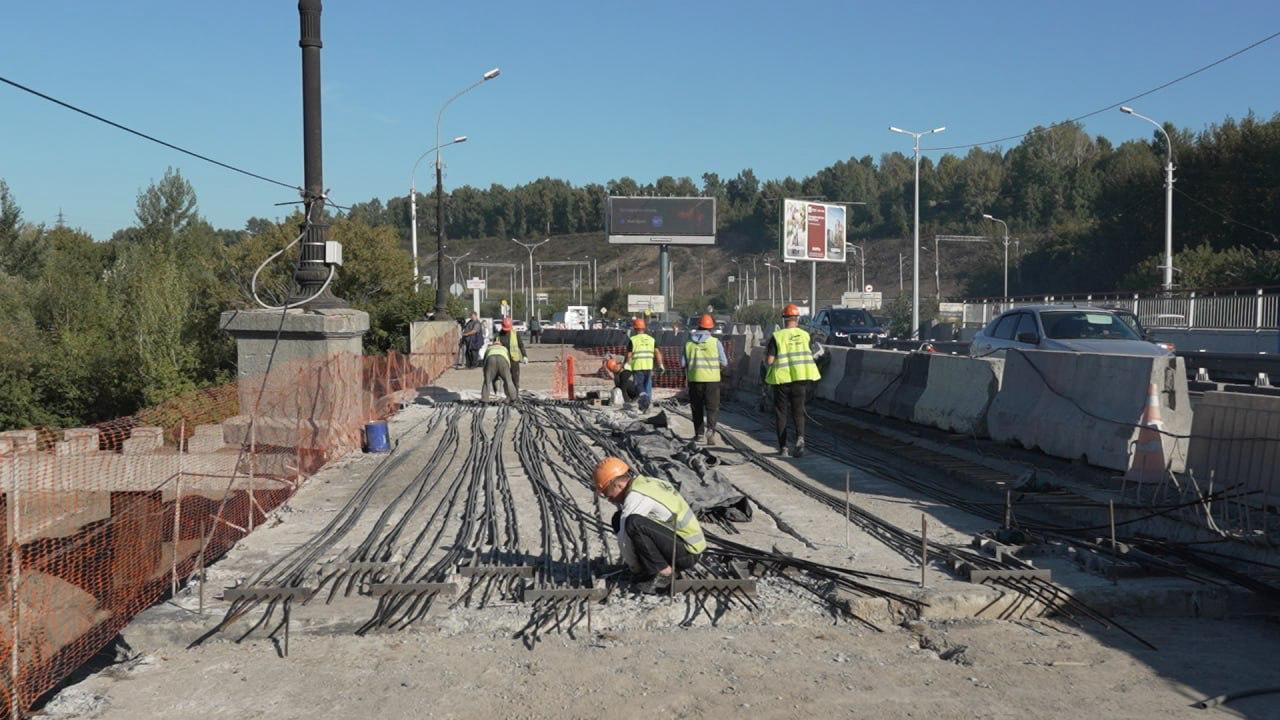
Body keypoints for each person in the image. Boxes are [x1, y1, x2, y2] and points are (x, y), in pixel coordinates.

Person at [594, 457, 705, 594]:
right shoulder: (644, 483)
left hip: (687, 552)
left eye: (608, 494)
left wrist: (635, 569)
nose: (610, 500)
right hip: (681, 544)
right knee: (620, 518)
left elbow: (624, 538)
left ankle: (665, 573)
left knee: (633, 522)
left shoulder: (637, 495)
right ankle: (654, 567)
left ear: (617, 485)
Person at [765, 304, 823, 457]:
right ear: (797, 319)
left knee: (781, 414)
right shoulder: (805, 335)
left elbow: (770, 361)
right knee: (798, 411)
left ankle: (783, 447)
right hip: (800, 378)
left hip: (782, 380)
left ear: (784, 319)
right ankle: (800, 438)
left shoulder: (777, 336)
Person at [682, 313, 727, 444]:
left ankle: (699, 434)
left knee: (697, 408)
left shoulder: (688, 343)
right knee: (712, 408)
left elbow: (683, 364)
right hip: (712, 381)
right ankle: (711, 431)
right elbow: (724, 362)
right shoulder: (715, 342)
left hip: (694, 380)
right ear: (711, 328)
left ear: (698, 326)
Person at [624, 317, 665, 412]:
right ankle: (647, 406)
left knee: (639, 386)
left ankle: (644, 401)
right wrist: (660, 365)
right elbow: (657, 352)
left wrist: (627, 364)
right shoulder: (651, 339)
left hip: (638, 367)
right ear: (644, 328)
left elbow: (629, 355)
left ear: (634, 328)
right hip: (648, 366)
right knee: (647, 386)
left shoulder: (633, 340)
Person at [494, 317, 529, 393]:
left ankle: (515, 396)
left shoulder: (515, 334)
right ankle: (508, 395)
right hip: (503, 361)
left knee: (515, 379)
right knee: (506, 379)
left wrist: (524, 356)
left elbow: (521, 345)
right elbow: (495, 348)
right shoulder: (498, 335)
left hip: (514, 360)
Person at [481, 335, 518, 402]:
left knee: (487, 381)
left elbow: (484, 363)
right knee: (508, 381)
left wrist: (487, 375)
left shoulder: (489, 348)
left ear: (493, 342)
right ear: (501, 342)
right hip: (503, 360)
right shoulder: (504, 348)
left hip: (490, 359)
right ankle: (513, 398)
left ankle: (485, 399)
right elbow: (508, 361)